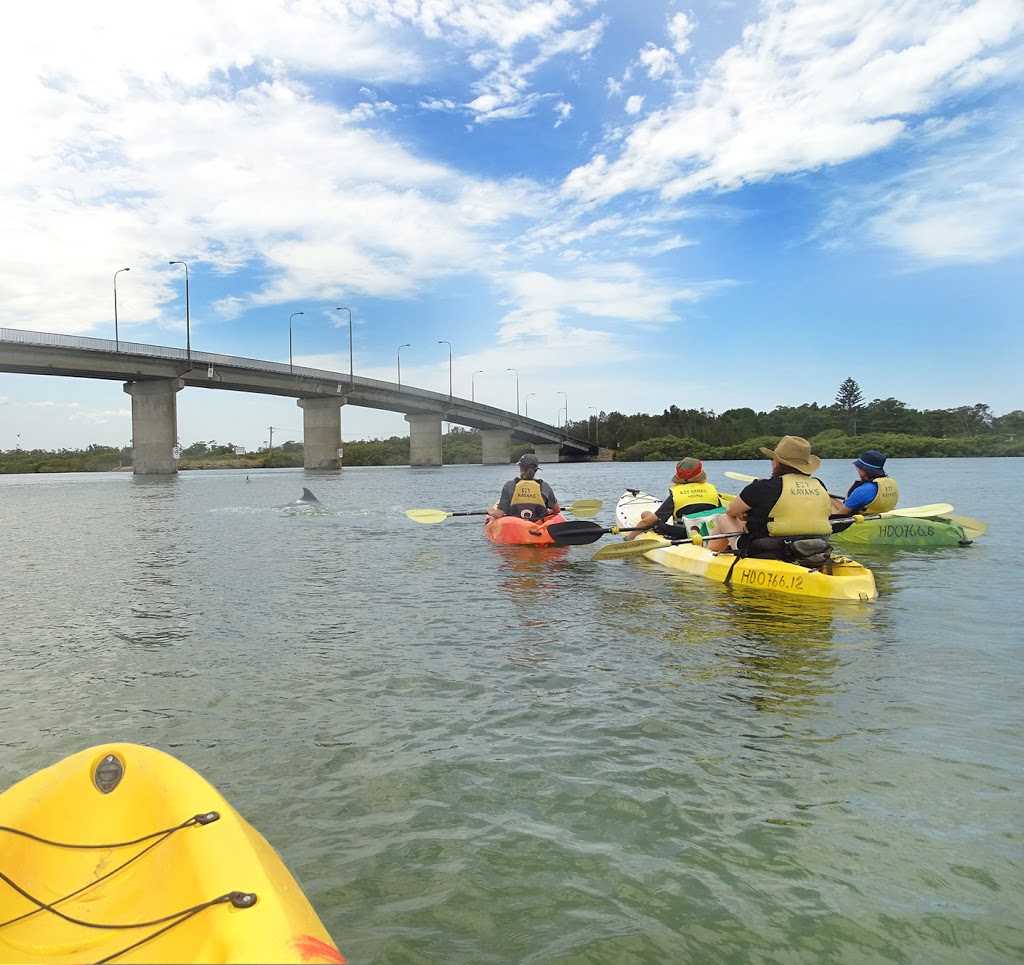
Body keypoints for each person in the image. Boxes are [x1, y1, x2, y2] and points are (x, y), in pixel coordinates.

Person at [706, 435, 833, 558]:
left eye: (772, 459)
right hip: (816, 548)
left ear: (778, 462)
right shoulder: (820, 485)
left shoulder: (762, 487)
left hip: (769, 551)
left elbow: (731, 511)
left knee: (725, 518)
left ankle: (709, 555)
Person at [627, 457, 723, 540]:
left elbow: (648, 521)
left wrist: (629, 538)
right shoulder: (712, 490)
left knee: (645, 514)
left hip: (681, 533)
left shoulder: (676, 494)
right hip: (709, 531)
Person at [490, 453, 560, 521]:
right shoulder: (544, 486)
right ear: (535, 470)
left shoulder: (509, 485)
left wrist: (490, 512)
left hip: (514, 525)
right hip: (538, 526)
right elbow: (557, 510)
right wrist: (549, 511)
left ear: (521, 469)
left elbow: (499, 514)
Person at [830, 449, 899, 516]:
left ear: (865, 470)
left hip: (860, 521)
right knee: (829, 498)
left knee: (825, 502)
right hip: (881, 516)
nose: (858, 470)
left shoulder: (863, 490)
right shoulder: (889, 483)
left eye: (858, 467)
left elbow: (840, 514)